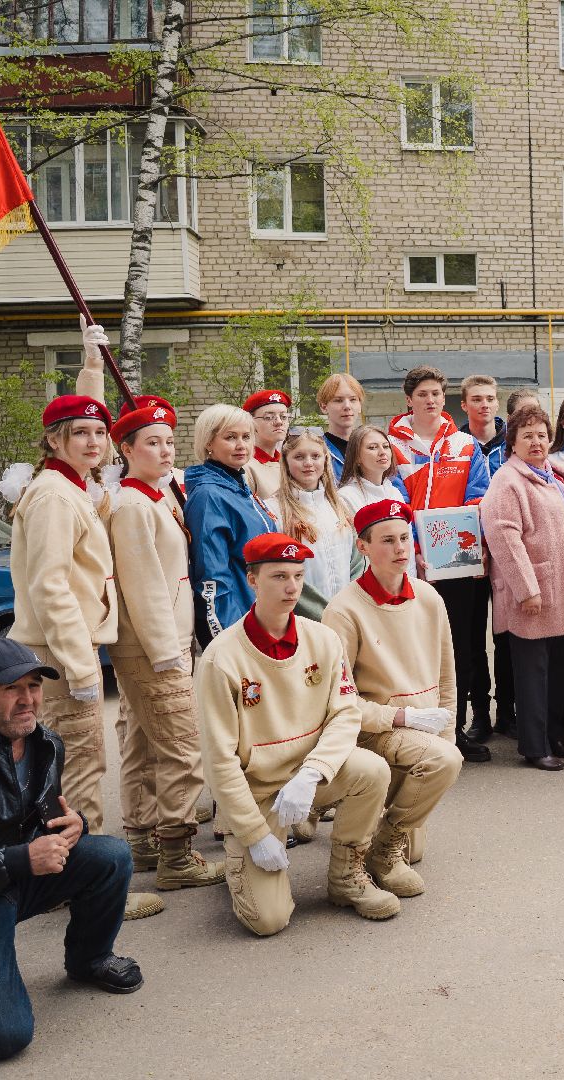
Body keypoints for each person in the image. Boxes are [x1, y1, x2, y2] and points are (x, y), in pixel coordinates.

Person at [0, 640, 143, 1062]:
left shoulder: (45, 742)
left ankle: (89, 959)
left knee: (110, 856)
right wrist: (21, 859)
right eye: (11, 688)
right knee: (6, 1036)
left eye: (34, 686)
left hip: (17, 878)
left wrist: (74, 824)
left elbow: (37, 815)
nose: (27, 700)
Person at [196, 534, 398, 934]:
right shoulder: (222, 658)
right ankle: (241, 863)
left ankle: (347, 876)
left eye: (298, 576)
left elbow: (345, 713)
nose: (292, 587)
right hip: (258, 792)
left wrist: (313, 772)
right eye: (279, 577)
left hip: (306, 778)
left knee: (372, 771)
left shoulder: (322, 639)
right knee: (268, 921)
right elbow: (219, 761)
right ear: (252, 579)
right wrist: (255, 835)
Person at [106, 401, 224, 891]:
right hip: (155, 645)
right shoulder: (133, 506)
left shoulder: (155, 496)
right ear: (126, 450)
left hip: (160, 640)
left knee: (141, 741)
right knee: (181, 746)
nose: (164, 450)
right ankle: (176, 853)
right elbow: (144, 587)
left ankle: (142, 840)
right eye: (151, 442)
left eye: (169, 441)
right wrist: (166, 654)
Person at [321, 500, 465, 895]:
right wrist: (401, 719)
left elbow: (447, 676)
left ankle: (387, 833)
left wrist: (447, 732)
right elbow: (338, 700)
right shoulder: (343, 611)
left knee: (442, 764)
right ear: (363, 547)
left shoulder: (429, 598)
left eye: (405, 537)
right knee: (443, 761)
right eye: (387, 540)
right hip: (376, 730)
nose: (400, 548)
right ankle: (382, 848)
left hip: (425, 732)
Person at [7, 394, 118, 836]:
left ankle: (79, 863)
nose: (94, 442)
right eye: (80, 433)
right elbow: (50, 586)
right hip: (59, 651)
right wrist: (80, 665)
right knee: (78, 769)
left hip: (65, 645)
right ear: (54, 440)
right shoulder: (54, 495)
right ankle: (85, 868)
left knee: (77, 764)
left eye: (100, 432)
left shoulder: (69, 486)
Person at [387, 367, 496, 743]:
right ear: (409, 399)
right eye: (422, 394)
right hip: (414, 564)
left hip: (459, 562)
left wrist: (463, 545)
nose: (430, 400)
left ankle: (459, 726)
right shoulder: (392, 446)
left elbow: (478, 495)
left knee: (462, 646)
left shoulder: (464, 444)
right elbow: (397, 503)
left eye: (436, 393)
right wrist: (416, 550)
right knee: (421, 648)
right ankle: (426, 728)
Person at [479, 404, 564, 769]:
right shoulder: (508, 481)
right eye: (527, 436)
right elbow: (504, 538)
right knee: (533, 675)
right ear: (512, 442)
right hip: (532, 593)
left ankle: (554, 735)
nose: (536, 442)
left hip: (561, 589)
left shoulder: (550, 476)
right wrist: (527, 589)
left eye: (542, 435)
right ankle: (534, 745)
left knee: (557, 671)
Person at [186, 404, 279, 644]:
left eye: (246, 437)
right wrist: (229, 638)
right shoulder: (209, 495)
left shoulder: (238, 485)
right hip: (237, 624)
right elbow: (212, 576)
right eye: (230, 437)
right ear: (209, 442)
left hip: (261, 617)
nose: (241, 445)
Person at [272, 431, 358, 603]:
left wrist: (350, 604)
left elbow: (357, 561)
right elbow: (277, 573)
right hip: (302, 612)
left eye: (315, 456)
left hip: (344, 610)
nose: (308, 463)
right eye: (299, 457)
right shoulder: (274, 510)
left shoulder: (340, 505)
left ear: (325, 459)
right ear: (286, 461)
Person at [336, 424, 410, 519]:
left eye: (386, 446)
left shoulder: (394, 492)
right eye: (372, 447)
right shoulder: (346, 497)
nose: (382, 452)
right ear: (356, 456)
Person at [243, 388, 291, 499]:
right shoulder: (246, 467)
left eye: (284, 417)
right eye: (269, 417)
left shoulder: (288, 462)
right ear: (251, 422)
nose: (279, 422)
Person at [317, 373, 366, 481]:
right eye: (338, 400)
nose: (347, 406)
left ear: (360, 405)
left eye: (353, 399)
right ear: (324, 407)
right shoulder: (316, 451)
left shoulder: (373, 447)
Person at [460, 374, 507, 474]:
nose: (485, 405)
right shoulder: (454, 446)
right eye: (477, 400)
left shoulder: (514, 442)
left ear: (497, 404)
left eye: (490, 399)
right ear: (464, 406)